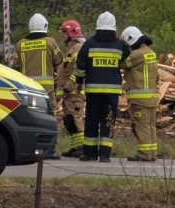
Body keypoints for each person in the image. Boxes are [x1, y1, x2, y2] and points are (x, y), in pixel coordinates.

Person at [73, 11, 129, 161]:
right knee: (108, 121)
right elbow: (127, 56)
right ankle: (105, 155)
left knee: (92, 120)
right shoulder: (120, 45)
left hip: (93, 90)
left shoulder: (89, 44)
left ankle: (90, 154)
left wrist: (79, 81)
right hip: (112, 92)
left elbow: (80, 65)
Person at [121, 26, 161, 162]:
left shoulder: (136, 55)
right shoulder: (151, 53)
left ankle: (144, 153)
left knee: (141, 126)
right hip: (152, 98)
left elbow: (121, 64)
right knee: (150, 125)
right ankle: (152, 153)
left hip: (139, 100)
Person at [55, 19, 87, 157]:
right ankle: (75, 147)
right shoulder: (71, 48)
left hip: (75, 92)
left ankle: (81, 147)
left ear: (70, 33)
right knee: (70, 120)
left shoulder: (78, 48)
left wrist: (68, 86)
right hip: (69, 93)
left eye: (64, 33)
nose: (63, 36)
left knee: (76, 119)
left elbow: (77, 71)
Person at [10, 13, 63, 97]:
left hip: (26, 86)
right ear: (45, 26)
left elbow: (15, 67)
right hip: (46, 88)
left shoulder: (20, 44)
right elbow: (59, 61)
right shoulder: (50, 42)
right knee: (48, 108)